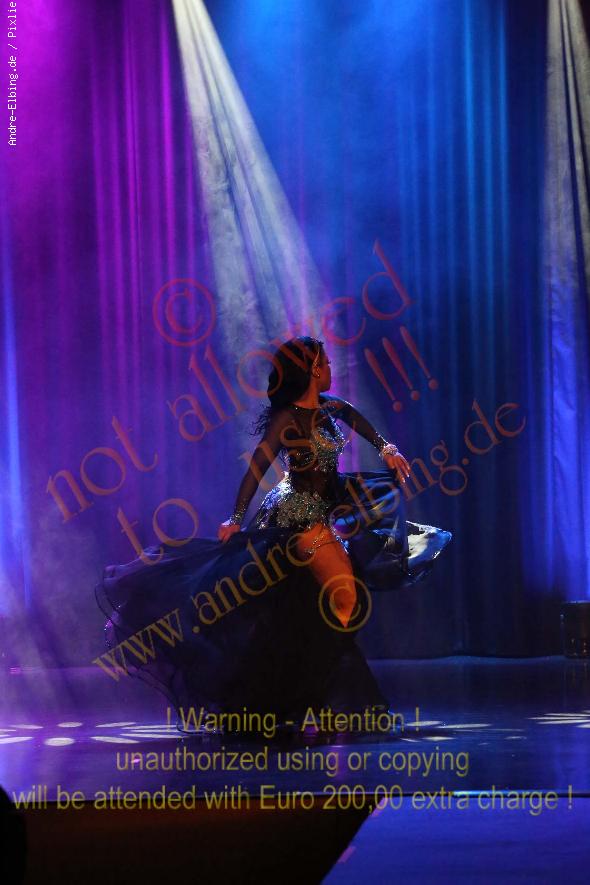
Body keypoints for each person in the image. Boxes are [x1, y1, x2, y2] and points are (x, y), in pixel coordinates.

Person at [95, 336, 451, 731]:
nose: (330, 368)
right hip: (298, 515)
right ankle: (318, 691)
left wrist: (386, 447)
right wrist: (235, 518)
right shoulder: (287, 419)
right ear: (311, 370)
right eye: (324, 362)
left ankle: (304, 690)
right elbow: (257, 468)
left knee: (319, 605)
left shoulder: (329, 407)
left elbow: (352, 415)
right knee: (344, 599)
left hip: (325, 505)